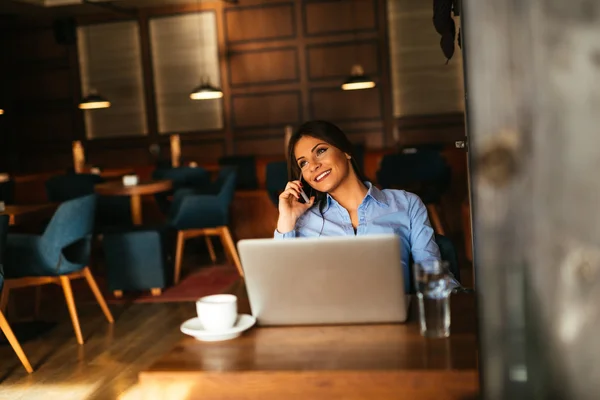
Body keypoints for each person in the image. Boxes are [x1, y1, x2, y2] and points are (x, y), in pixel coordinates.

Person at [274, 120, 441, 291]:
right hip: (327, 316)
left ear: (345, 151)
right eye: (304, 163)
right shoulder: (303, 222)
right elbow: (282, 287)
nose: (313, 166)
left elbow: (432, 278)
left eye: (321, 151)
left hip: (394, 315)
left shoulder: (406, 205)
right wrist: (286, 220)